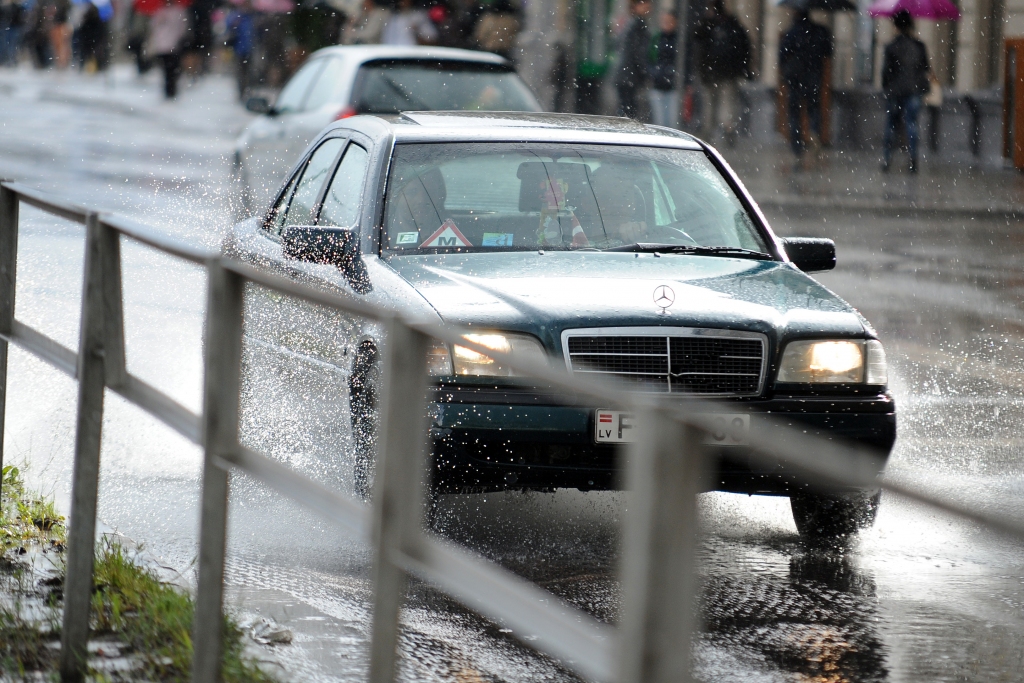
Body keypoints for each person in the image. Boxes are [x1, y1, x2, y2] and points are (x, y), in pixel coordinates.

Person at [778, 9, 832, 169]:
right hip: (814, 76)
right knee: (814, 108)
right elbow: (828, 51)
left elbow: (781, 55)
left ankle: (797, 148)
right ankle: (814, 132)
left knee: (794, 113)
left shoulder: (791, 32)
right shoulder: (820, 31)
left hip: (795, 79)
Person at [692, 0, 750, 145]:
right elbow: (745, 47)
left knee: (710, 103)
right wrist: (743, 68)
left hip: (709, 71)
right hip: (729, 72)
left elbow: (697, 42)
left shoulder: (707, 24)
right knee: (728, 102)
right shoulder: (733, 24)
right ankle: (728, 128)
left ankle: (708, 132)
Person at [881, 9, 929, 173]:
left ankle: (887, 159)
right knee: (912, 124)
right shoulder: (920, 46)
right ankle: (913, 159)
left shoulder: (891, 46)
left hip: (895, 91)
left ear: (896, 26)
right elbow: (925, 68)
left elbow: (886, 71)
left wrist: (886, 87)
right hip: (914, 90)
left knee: (891, 125)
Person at [614, 0, 652, 120]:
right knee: (629, 112)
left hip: (625, 74)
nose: (647, 6)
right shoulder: (638, 24)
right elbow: (638, 52)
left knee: (626, 110)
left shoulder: (630, 23)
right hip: (629, 75)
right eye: (643, 3)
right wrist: (646, 72)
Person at [147, 0, 187, 99]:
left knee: (172, 69)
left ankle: (171, 89)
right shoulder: (160, 11)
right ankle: (169, 89)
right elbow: (154, 25)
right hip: (163, 45)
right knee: (167, 69)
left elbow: (182, 26)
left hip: (173, 44)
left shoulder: (179, 11)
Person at [648, 10, 679, 128]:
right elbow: (648, 58)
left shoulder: (678, 40)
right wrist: (653, 73)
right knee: (660, 121)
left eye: (669, 21)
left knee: (672, 121)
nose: (667, 24)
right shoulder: (656, 38)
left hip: (673, 85)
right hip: (658, 83)